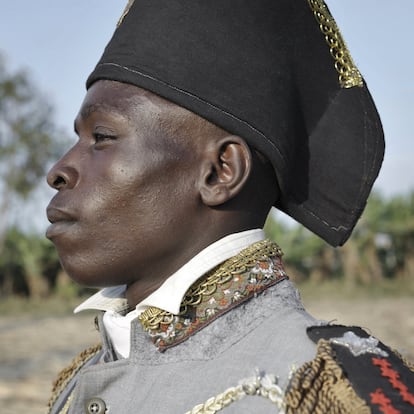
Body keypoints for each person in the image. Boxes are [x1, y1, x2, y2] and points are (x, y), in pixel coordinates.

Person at [45, 1, 413, 413]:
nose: (59, 170)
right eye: (77, 138)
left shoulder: (322, 393)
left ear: (220, 172)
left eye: (102, 137)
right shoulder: (80, 381)